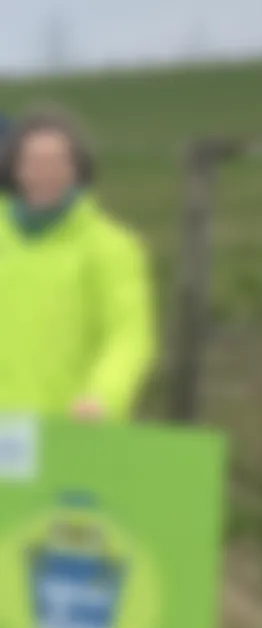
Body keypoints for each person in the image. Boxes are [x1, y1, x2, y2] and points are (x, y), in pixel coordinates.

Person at [0, 108, 155, 420]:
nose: (45, 173)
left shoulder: (113, 247)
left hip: (74, 434)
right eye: (33, 162)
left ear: (77, 170)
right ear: (15, 169)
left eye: (56, 162)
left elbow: (129, 335)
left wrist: (103, 396)